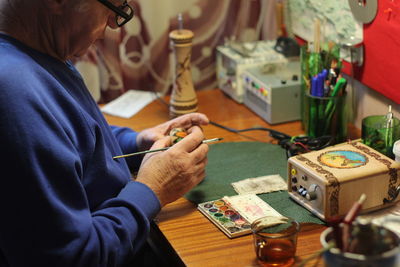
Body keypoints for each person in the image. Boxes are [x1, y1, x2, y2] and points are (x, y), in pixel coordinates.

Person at [0, 0, 209, 266]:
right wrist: (153, 189)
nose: (114, 24)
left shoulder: (35, 53)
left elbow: (67, 134)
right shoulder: (12, 91)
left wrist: (136, 142)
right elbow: (74, 257)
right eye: (114, 6)